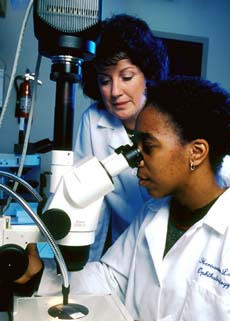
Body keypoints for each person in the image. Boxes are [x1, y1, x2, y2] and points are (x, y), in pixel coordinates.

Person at [38, 76, 230, 321]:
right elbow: (108, 279)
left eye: (148, 147)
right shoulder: (153, 213)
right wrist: (38, 274)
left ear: (196, 152)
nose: (136, 160)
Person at [74, 13, 169, 261]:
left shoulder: (172, 114)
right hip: (123, 248)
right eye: (105, 80)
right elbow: (91, 199)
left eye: (126, 77)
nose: (115, 91)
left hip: (171, 246)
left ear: (146, 75)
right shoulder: (94, 120)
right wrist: (87, 265)